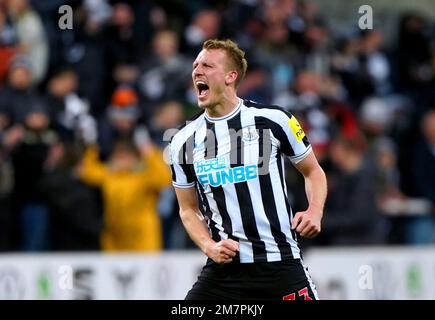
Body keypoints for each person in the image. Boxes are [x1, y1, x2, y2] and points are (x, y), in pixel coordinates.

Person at [169, 39, 327, 300]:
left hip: (280, 264)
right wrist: (209, 246)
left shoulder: (275, 120)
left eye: (207, 65)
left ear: (231, 76)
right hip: (224, 273)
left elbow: (313, 172)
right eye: (196, 65)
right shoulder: (182, 141)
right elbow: (187, 208)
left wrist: (314, 211)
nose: (197, 70)